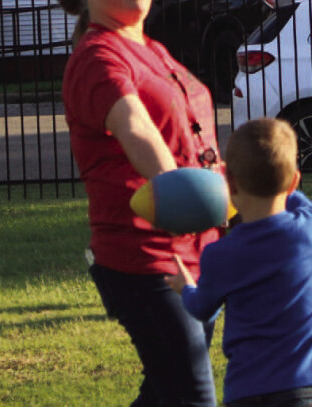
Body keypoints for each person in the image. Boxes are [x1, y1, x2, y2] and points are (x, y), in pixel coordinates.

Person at [58, 0, 224, 405]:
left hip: (199, 252)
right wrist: (176, 191)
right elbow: (137, 128)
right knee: (191, 395)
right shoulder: (98, 56)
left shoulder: (152, 49)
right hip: (146, 258)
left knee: (165, 393)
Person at [166, 118, 312, 407]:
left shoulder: (221, 254)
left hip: (246, 391)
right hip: (305, 388)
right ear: (294, 180)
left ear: (229, 182)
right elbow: (294, 196)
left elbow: (202, 310)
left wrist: (186, 287)